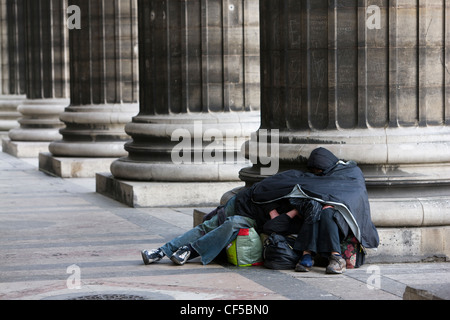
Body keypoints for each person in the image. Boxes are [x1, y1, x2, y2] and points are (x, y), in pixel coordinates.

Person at [249, 147, 380, 274]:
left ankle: (334, 257)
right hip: (319, 214)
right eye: (315, 172)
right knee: (315, 208)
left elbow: (354, 196)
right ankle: (309, 255)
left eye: (319, 171)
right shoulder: (318, 178)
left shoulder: (351, 172)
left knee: (327, 213)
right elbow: (320, 190)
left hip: (342, 215)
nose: (318, 174)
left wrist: (334, 204)